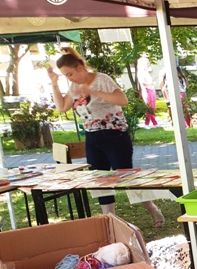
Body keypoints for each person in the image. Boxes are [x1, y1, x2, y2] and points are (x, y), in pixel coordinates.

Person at [46, 47, 165, 226]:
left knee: (126, 176)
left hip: (115, 135)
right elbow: (62, 107)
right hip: (92, 137)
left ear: (80, 68)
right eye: (65, 76)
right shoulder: (74, 87)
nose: (69, 78)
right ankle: (110, 220)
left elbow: (122, 100)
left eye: (69, 74)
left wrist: (93, 92)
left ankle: (152, 209)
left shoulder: (101, 79)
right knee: (100, 179)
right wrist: (54, 84)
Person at [136, 55, 158, 127]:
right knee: (149, 107)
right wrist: (152, 83)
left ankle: (154, 122)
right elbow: (143, 83)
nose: (148, 64)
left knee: (153, 107)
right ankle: (147, 123)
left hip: (151, 90)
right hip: (147, 90)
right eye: (146, 62)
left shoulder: (146, 72)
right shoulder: (141, 72)